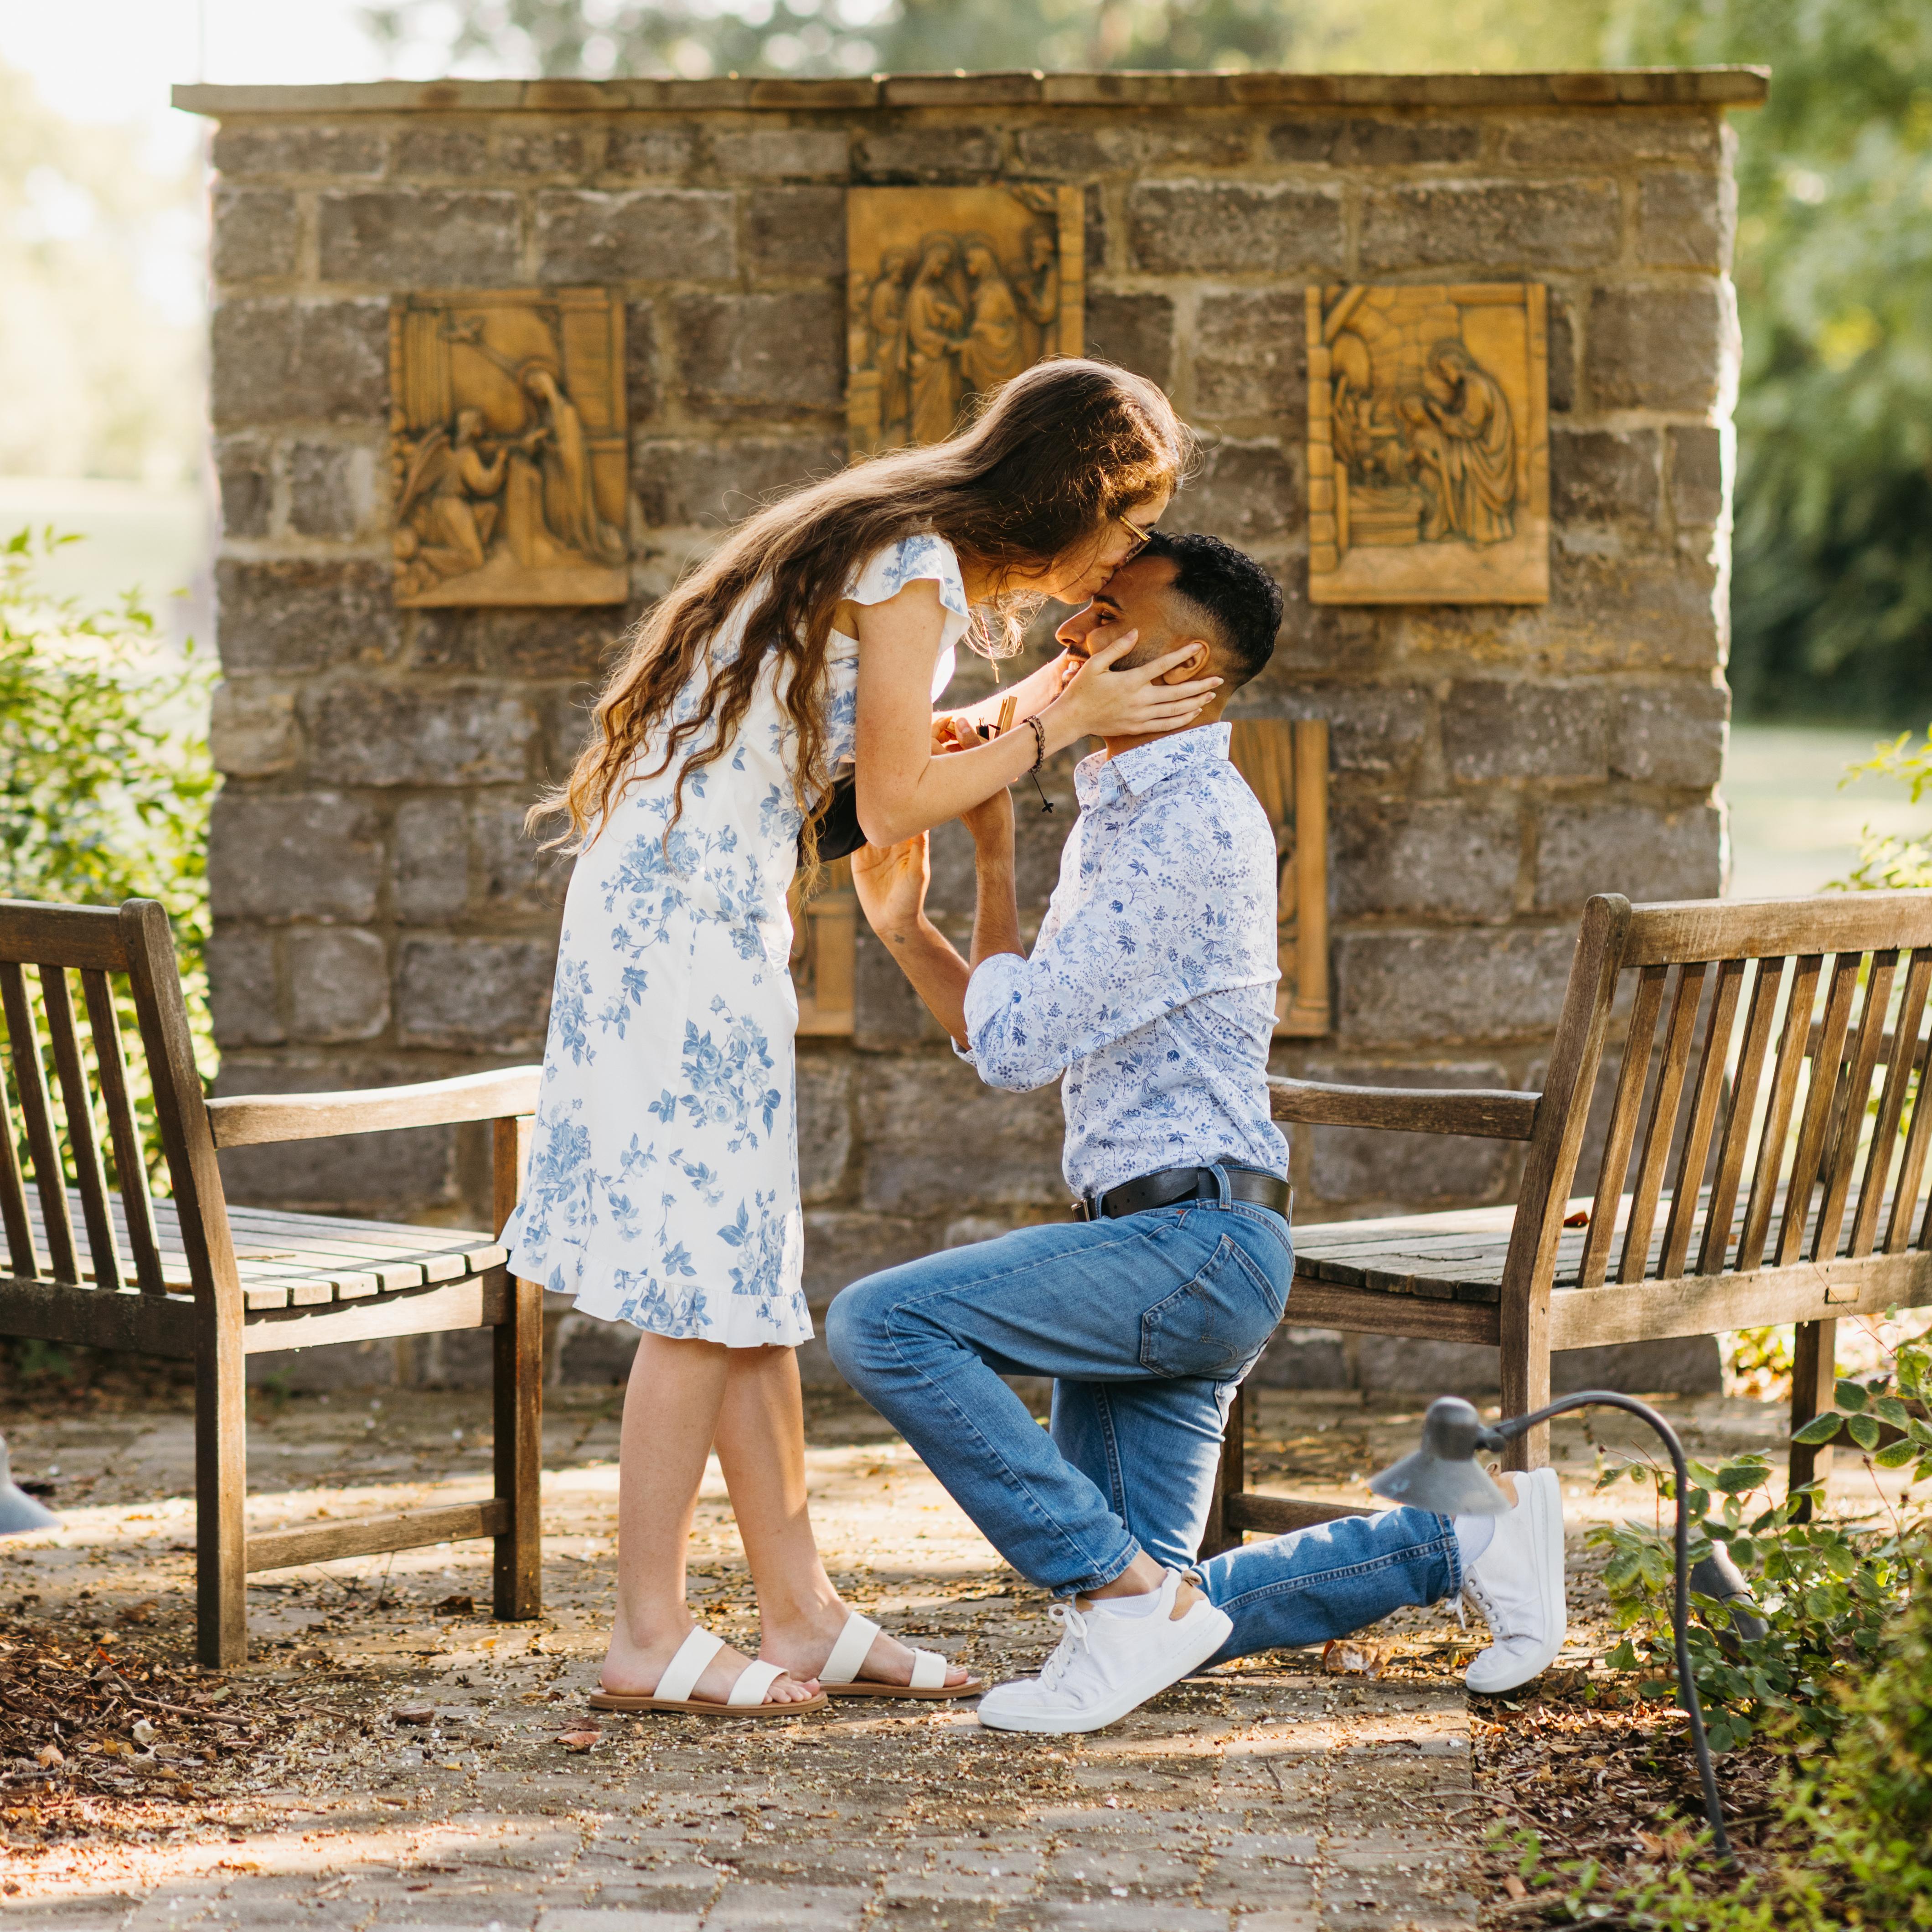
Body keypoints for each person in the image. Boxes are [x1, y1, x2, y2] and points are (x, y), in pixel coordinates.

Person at [504, 360, 1218, 1718]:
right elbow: (895, 796)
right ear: (1075, 491)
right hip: (687, 923)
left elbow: (877, 748)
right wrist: (1065, 725)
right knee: (698, 1292)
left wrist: (1037, 716)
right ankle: (646, 1635)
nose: (1125, 556)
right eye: (1128, 523)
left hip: (680, 904)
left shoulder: (891, 541)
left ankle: (800, 1614)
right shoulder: (913, 567)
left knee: (751, 1280)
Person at [828, 531, 1568, 1734]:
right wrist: (917, 926)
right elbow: (1021, 1031)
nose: (1071, 632)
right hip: (1159, 1246)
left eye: (1106, 616)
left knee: (883, 1323)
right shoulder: (1123, 810)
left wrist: (998, 856)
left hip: (1194, 1248)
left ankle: (1126, 1612)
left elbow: (1015, 1051)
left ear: (1186, 672)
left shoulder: (1187, 832)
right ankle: (1464, 1538)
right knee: (1160, 1605)